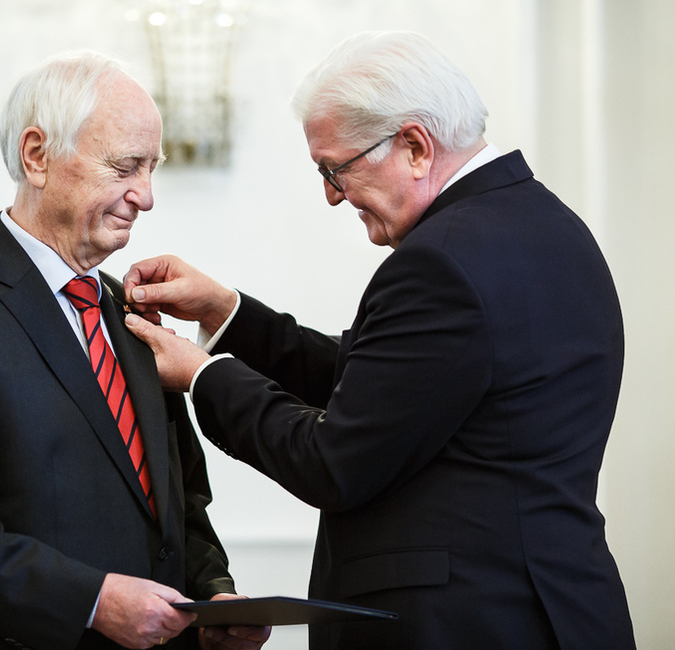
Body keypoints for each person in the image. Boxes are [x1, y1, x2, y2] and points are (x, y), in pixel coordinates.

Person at [122, 31, 636, 650]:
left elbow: (336, 463)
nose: (332, 194)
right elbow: (390, 388)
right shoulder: (551, 229)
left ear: (415, 146)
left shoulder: (441, 262)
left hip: (465, 625)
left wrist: (201, 374)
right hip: (550, 609)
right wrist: (229, 313)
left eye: (334, 168)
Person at [0, 51, 270, 650]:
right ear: (37, 156)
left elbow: (177, 499)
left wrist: (212, 596)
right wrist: (93, 602)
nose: (147, 195)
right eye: (126, 166)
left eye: (151, 168)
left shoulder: (128, 310)